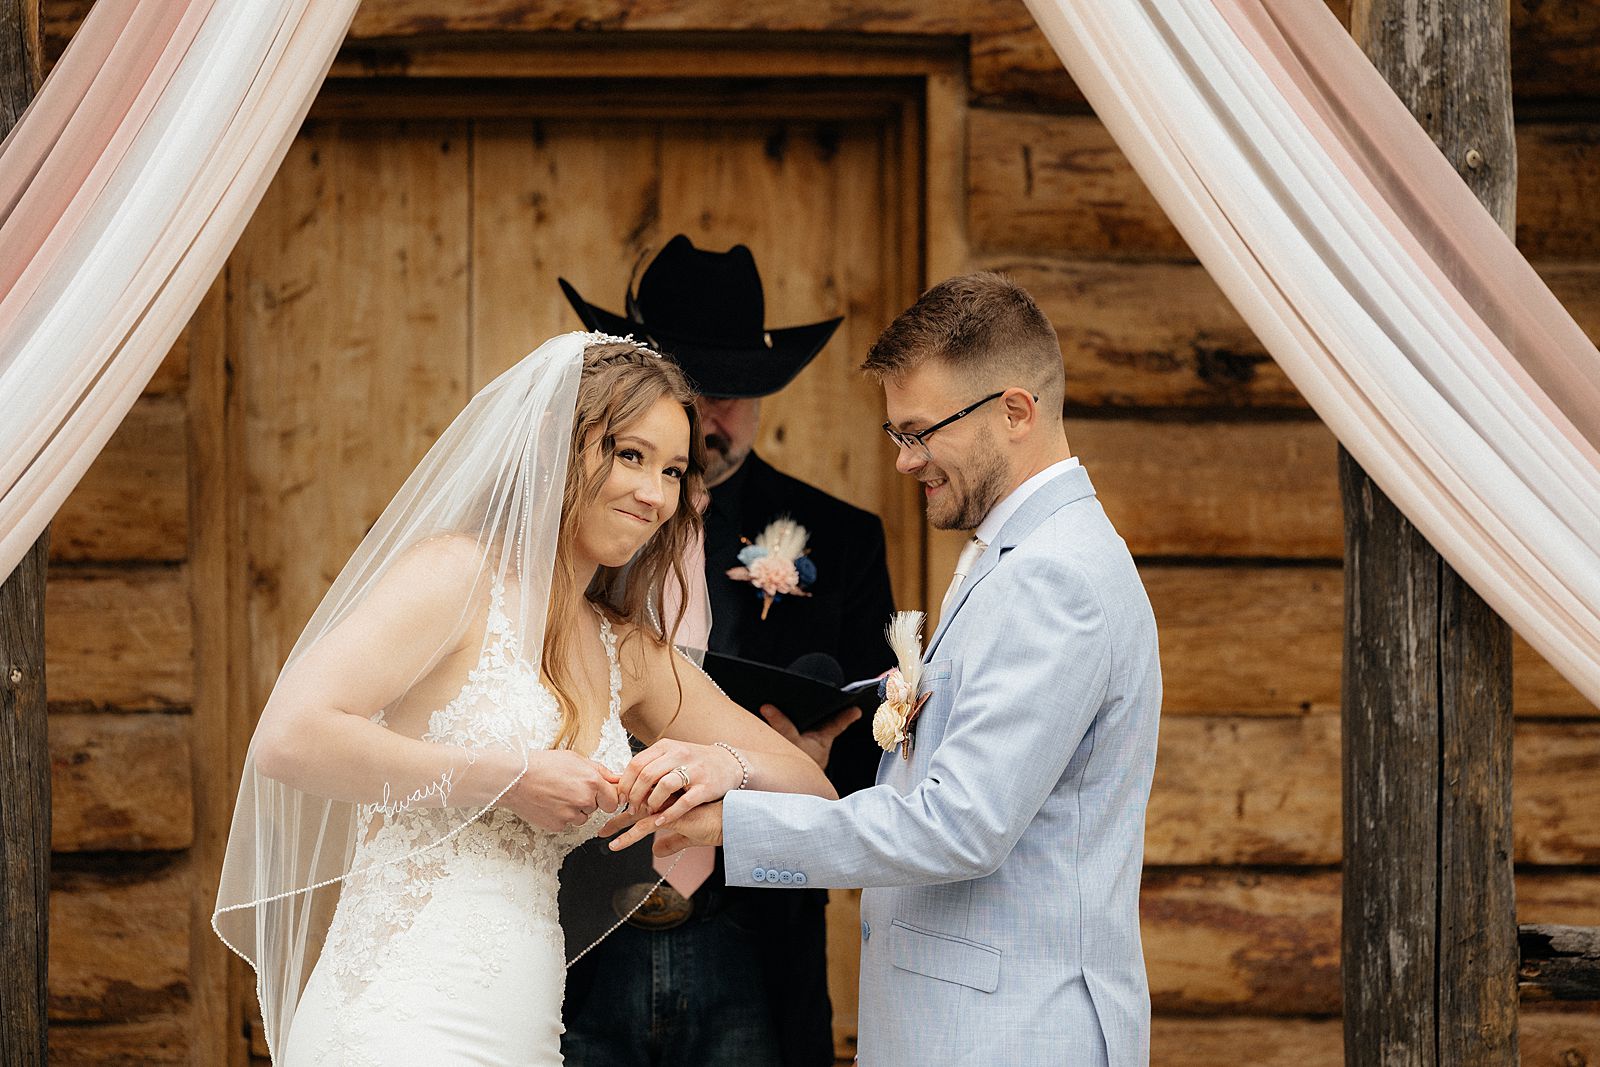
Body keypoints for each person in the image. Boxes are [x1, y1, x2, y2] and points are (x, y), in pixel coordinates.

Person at [212, 333, 836, 1066]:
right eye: (629, 455)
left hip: (525, 1019)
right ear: (555, 446)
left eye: (671, 470)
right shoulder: (455, 576)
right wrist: (511, 779)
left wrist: (724, 765)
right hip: (396, 1012)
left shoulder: (622, 647)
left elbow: (814, 787)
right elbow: (289, 737)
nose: (653, 493)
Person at [618, 273, 1164, 1067]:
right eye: (896, 435)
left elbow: (960, 824)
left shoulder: (1054, 577)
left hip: (1009, 1034)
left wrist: (731, 816)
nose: (907, 462)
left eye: (921, 431)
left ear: (1015, 411)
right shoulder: (1019, 554)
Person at [559, 236, 897, 1066]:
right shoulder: (585, 524)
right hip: (582, 922)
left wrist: (821, 751)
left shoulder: (844, 539)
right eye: (695, 388)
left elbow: (880, 760)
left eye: (739, 390)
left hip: (755, 927)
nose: (716, 414)